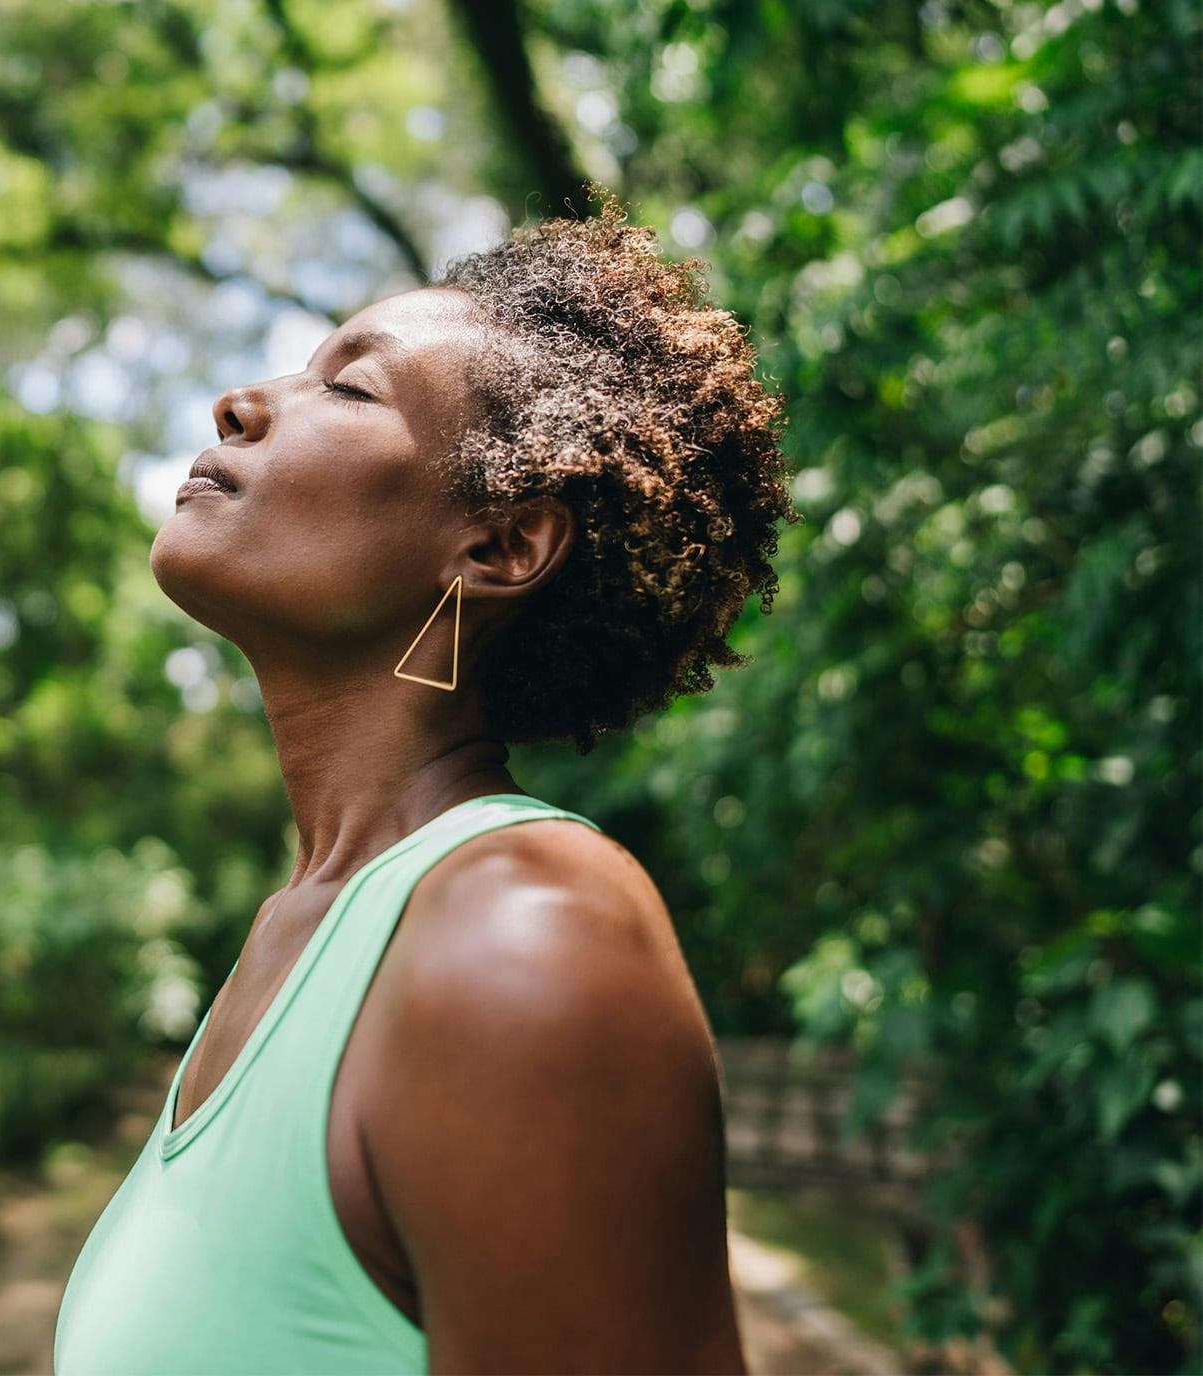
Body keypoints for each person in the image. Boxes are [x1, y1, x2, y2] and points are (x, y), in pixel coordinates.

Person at [53, 193, 800, 1375]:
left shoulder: (523, 932)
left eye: (350, 389)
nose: (242, 403)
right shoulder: (297, 934)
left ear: (498, 548)